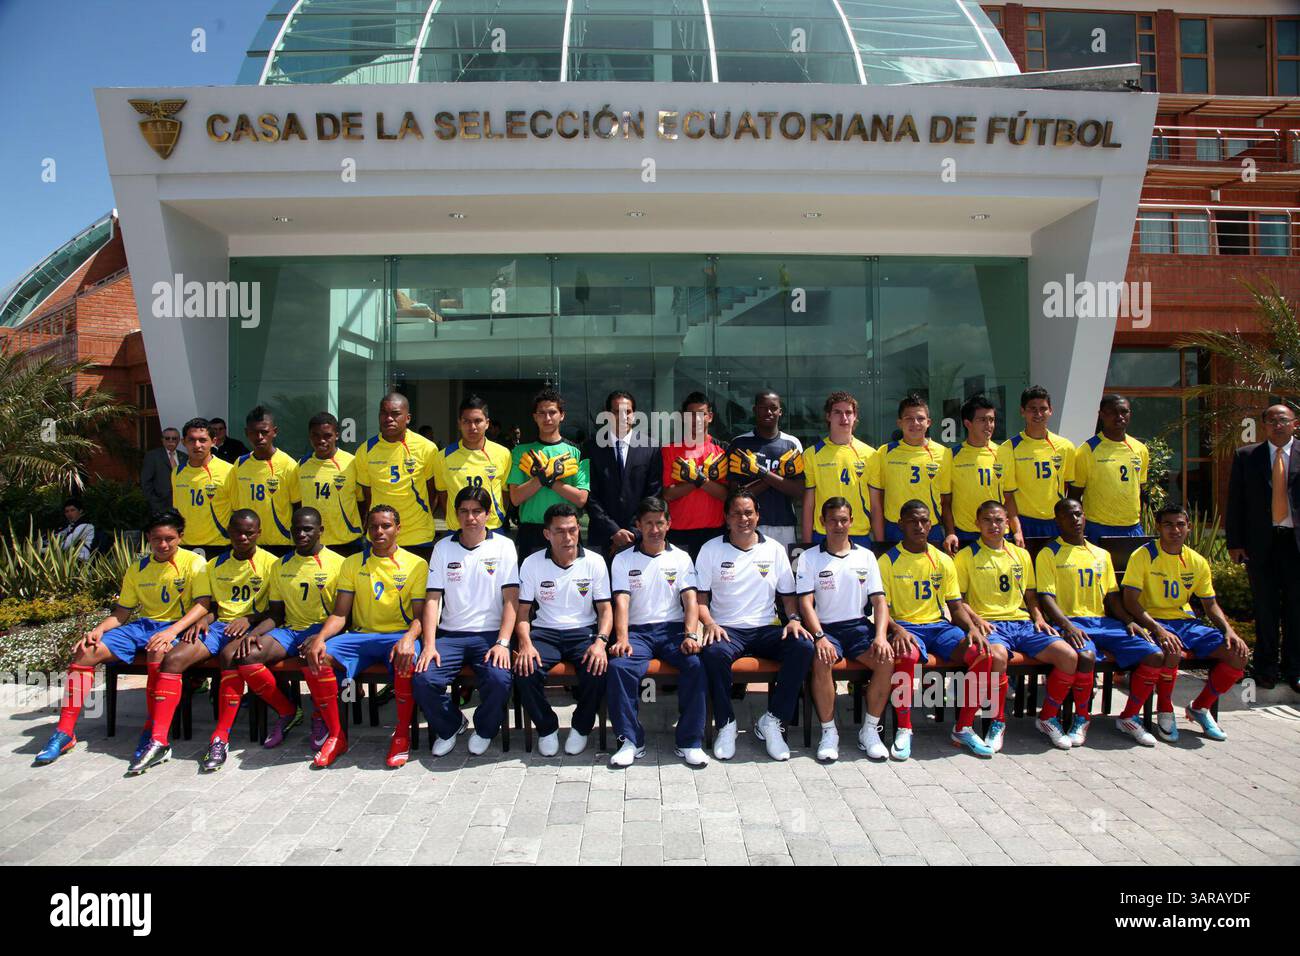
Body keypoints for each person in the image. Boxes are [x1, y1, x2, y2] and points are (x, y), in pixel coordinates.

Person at [34, 510, 205, 767]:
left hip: (176, 626)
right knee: (86, 651)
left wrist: (172, 631)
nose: (163, 544)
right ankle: (65, 732)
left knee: (157, 651)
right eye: (157, 538)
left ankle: (152, 729)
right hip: (143, 625)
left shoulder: (194, 563)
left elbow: (203, 604)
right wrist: (99, 629)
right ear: (148, 537)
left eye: (170, 538)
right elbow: (122, 612)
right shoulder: (138, 568)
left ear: (180, 536)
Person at [130, 509, 277, 774]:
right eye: (237, 531)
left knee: (230, 657)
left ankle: (220, 738)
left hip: (253, 627)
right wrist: (204, 619)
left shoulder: (272, 564)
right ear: (228, 532)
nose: (242, 537)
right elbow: (211, 607)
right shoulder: (213, 565)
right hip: (219, 627)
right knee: (173, 659)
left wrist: (249, 618)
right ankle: (159, 740)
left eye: (248, 532)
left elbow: (280, 611)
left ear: (258, 533)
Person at [299, 505, 429, 768]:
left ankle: (401, 734)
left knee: (408, 658)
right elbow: (340, 614)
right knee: (316, 657)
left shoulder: (416, 564)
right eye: (373, 526)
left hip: (397, 636)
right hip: (360, 637)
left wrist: (408, 637)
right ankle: (336, 735)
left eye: (386, 526)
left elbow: (420, 616)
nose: (378, 531)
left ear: (398, 529)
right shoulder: (352, 563)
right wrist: (321, 637)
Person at [1034, 498, 1165, 748]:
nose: (1075, 520)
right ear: (1057, 521)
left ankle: (1129, 717)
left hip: (1103, 623)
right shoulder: (1049, 553)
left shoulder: (1101, 554)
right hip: (1071, 621)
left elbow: (1112, 597)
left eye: (1079, 514)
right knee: (1085, 656)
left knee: (1153, 654)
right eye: (1069, 516)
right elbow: (1046, 597)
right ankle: (1079, 718)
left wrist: (1129, 621)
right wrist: (1067, 625)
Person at [955, 499, 1083, 753]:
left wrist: (1038, 617)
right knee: (998, 656)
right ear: (977, 524)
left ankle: (1047, 717)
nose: (994, 525)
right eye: (988, 520)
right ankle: (997, 722)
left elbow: (1031, 595)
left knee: (1068, 656)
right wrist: (977, 620)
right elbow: (957, 600)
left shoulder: (1021, 554)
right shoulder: (966, 556)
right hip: (990, 625)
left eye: (999, 520)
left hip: (1022, 623)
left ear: (1007, 523)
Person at [697, 490, 814, 761]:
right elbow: (700, 598)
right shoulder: (711, 549)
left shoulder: (773, 549)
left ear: (758, 516)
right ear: (726, 518)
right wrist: (710, 623)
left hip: (766, 627)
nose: (743, 519)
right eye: (736, 513)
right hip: (727, 628)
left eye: (749, 513)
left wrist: (794, 620)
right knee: (713, 653)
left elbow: (788, 596)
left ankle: (772, 720)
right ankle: (726, 723)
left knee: (803, 646)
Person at [1122, 505, 1250, 742]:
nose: (1175, 530)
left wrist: (1230, 631)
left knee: (1238, 655)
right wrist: (1157, 629)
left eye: (1181, 524)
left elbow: (1210, 605)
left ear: (1189, 527)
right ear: (1158, 527)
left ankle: (1200, 708)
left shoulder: (1197, 560)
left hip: (1186, 622)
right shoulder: (1143, 555)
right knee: (1172, 649)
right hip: (1155, 621)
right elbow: (1130, 601)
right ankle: (1165, 709)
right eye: (1168, 524)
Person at [878, 500, 988, 759]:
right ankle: (904, 727)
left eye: (924, 521)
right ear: (900, 525)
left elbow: (956, 606)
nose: (919, 526)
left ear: (930, 525)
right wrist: (896, 629)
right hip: (905, 626)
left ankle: (964, 727)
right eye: (913, 521)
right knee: (906, 656)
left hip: (938, 626)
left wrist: (971, 628)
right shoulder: (887, 561)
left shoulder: (942, 559)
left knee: (983, 652)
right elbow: (881, 609)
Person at [414, 487, 519, 758]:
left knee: (498, 680)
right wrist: (428, 644)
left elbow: (511, 600)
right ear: (456, 514)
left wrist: (503, 642)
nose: (470, 517)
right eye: (464, 511)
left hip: (490, 634)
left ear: (487, 514)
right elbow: (433, 600)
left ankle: (484, 730)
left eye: (476, 511)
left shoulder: (504, 546)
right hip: (450, 634)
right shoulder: (443, 547)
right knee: (424, 678)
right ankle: (451, 726)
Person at [607, 497, 708, 767]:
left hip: (673, 631)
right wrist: (623, 638)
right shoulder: (623, 559)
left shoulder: (682, 557)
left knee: (695, 664)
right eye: (648, 523)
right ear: (638, 525)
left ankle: (689, 741)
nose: (654, 529)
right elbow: (622, 601)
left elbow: (690, 600)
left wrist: (690, 635)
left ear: (669, 524)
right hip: (637, 632)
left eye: (660, 523)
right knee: (619, 666)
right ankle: (630, 740)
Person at [239, 506, 345, 751]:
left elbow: (344, 615)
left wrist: (320, 636)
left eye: (308, 529)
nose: (301, 534)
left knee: (315, 654)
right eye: (296, 530)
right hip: (290, 630)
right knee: (247, 656)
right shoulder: (280, 565)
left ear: (321, 531)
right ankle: (287, 711)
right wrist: (254, 633)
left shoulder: (339, 564)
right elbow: (276, 615)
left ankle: (320, 715)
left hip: (325, 628)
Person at [797, 497, 891, 762]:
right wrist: (819, 637)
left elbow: (879, 601)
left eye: (843, 520)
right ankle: (829, 733)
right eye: (832, 520)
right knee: (820, 658)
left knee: (887, 659)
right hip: (827, 628)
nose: (838, 525)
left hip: (859, 627)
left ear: (851, 521)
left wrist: (881, 636)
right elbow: (805, 603)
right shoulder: (809, 558)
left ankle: (870, 731)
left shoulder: (866, 556)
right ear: (822, 522)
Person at [515, 502, 610, 757]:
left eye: (572, 530)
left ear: (579, 529)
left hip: (583, 631)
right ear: (547, 534)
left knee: (598, 668)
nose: (567, 537)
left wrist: (600, 643)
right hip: (545, 632)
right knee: (525, 671)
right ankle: (546, 728)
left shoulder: (595, 561)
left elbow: (605, 610)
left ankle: (581, 727)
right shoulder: (532, 563)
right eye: (559, 531)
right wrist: (524, 644)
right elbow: (522, 613)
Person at [1226, 403, 1300, 692]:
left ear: (1295, 423)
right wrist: (1235, 543)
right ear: (1264, 425)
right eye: (1271, 420)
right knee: (1265, 607)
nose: (1277, 425)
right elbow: (1236, 503)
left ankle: (1295, 669)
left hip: (1295, 544)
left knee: (1296, 608)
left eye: (1283, 420)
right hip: (1261, 544)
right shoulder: (1247, 456)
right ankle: (1266, 668)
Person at [354, 392, 439, 561]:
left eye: (395, 414)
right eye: (384, 413)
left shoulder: (427, 448)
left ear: (407, 418)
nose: (389, 418)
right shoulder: (365, 450)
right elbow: (367, 497)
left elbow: (433, 493)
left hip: (418, 535)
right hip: (381, 537)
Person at [508, 387, 590, 561]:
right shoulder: (521, 452)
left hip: (566, 530)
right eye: (542, 413)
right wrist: (541, 478)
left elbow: (581, 499)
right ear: (534, 417)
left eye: (552, 412)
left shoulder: (576, 452)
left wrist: (551, 480)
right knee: (531, 586)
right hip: (531, 530)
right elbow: (515, 498)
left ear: (562, 415)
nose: (547, 418)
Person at [583, 390, 663, 558]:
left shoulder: (651, 448)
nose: (622, 416)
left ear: (634, 415)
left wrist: (632, 532)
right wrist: (614, 531)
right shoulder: (591, 448)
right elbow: (589, 495)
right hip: (602, 536)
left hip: (639, 538)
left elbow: (653, 493)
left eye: (628, 412)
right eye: (616, 412)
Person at [868, 393, 953, 545]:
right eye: (909, 418)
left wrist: (950, 533)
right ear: (899, 423)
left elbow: (945, 501)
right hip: (895, 528)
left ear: (929, 422)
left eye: (920, 418)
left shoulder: (943, 453)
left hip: (929, 528)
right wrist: (879, 540)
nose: (915, 423)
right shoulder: (884, 453)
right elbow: (878, 501)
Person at [997, 385, 1076, 544]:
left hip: (1056, 522)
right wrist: (1016, 529)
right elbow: (1008, 495)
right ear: (1022, 411)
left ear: (1051, 411)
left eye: (1043, 409)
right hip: (1024, 523)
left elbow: (1068, 487)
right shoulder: (1009, 448)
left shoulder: (1065, 447)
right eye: (1032, 409)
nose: (1038, 414)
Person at [725, 389, 804, 546]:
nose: (768, 412)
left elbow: (799, 491)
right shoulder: (740, 444)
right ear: (755, 410)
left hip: (784, 524)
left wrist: (761, 472)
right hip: (748, 525)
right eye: (763, 408)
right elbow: (736, 495)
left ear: (780, 412)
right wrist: (777, 476)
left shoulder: (792, 444)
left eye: (773, 408)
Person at [1069, 394, 1149, 539]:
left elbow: (1140, 490)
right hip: (1097, 528)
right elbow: (1074, 495)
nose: (1119, 416)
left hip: (1132, 527)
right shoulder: (1086, 451)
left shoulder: (1140, 449)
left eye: (1124, 411)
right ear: (1101, 415)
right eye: (1113, 412)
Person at [433, 395, 514, 538]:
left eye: (478, 421)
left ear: (487, 423)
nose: (472, 427)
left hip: (492, 528)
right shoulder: (443, 456)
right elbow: (442, 494)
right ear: (459, 423)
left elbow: (505, 493)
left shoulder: (503, 453)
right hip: (457, 530)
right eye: (466, 421)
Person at [660, 391, 728, 560]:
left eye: (701, 414)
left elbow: (727, 495)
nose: (696, 419)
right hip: (678, 532)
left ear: (710, 417)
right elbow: (667, 494)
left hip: (715, 531)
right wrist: (702, 480)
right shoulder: (669, 450)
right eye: (691, 415)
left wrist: (695, 479)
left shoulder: (723, 450)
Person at [801, 391, 874, 545]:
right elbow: (808, 505)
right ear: (828, 416)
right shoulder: (811, 454)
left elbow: (876, 503)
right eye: (837, 412)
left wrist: (879, 543)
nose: (844, 418)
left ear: (855, 417)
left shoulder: (871, 454)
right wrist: (806, 544)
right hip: (823, 534)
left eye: (848, 412)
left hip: (859, 535)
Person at [230, 406, 300, 554]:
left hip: (280, 543)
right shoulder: (239, 464)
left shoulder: (288, 464)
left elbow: (297, 505)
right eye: (254, 432)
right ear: (246, 433)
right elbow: (236, 507)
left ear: (274, 432)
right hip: (249, 543)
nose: (259, 437)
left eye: (264, 432)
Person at [297, 411, 367, 555]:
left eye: (327, 435)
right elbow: (298, 504)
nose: (321, 440)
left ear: (337, 435)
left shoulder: (351, 463)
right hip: (314, 544)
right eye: (316, 435)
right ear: (310, 436)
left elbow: (362, 502)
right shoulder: (301, 466)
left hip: (347, 543)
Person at [171, 417, 234, 555]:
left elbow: (238, 510)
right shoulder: (177, 472)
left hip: (219, 546)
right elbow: (177, 510)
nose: (197, 445)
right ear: (183, 442)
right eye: (191, 440)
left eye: (203, 440)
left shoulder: (229, 471)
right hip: (185, 547)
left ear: (214, 441)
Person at [949, 394, 1001, 551]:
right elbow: (946, 501)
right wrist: (950, 532)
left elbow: (1010, 497)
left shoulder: (1004, 453)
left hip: (997, 533)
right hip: (964, 534)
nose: (989, 425)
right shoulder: (951, 456)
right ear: (967, 423)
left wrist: (1016, 529)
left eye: (991, 420)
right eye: (982, 420)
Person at [140, 427, 186, 514]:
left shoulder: (184, 457)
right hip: (160, 506)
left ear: (179, 440)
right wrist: (155, 503)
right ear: (162, 440)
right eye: (167, 438)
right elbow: (146, 482)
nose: (171, 440)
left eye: (174, 438)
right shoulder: (152, 456)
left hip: (181, 506)